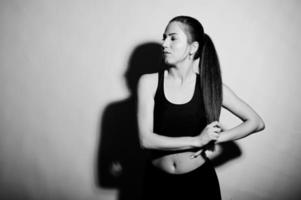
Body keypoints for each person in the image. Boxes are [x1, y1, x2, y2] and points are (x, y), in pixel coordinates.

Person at [137, 15, 265, 200]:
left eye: (173, 38)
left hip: (199, 184)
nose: (164, 44)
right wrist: (198, 140)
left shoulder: (210, 86)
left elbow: (256, 122)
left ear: (193, 47)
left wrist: (216, 138)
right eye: (164, 37)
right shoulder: (148, 82)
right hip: (157, 182)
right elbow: (146, 140)